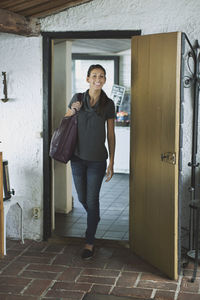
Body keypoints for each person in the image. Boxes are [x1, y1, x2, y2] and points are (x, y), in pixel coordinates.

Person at [65, 64, 116, 259]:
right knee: (82, 199)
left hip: (97, 160)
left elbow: (111, 134)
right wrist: (72, 110)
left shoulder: (108, 104)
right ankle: (94, 217)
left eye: (101, 76)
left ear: (104, 80)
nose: (98, 79)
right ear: (87, 79)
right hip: (77, 158)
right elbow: (65, 122)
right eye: (94, 75)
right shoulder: (77, 98)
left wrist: (112, 161)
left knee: (92, 200)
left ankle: (89, 241)